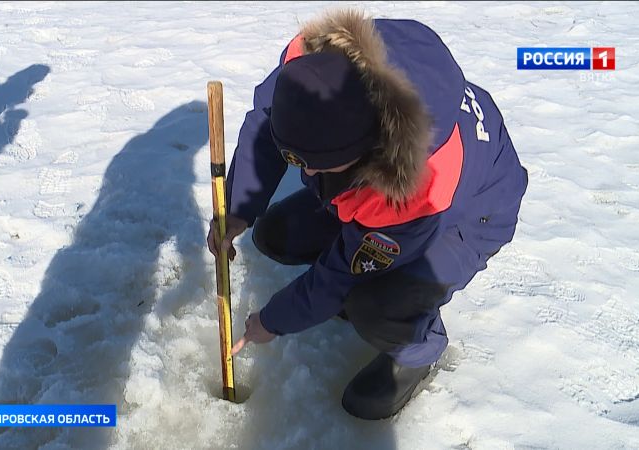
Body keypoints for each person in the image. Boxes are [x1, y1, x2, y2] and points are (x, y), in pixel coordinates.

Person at [207, 9, 528, 420]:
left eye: (314, 164)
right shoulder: (315, 64)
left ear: (356, 154)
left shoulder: (414, 191)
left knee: (371, 302)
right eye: (296, 160)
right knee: (275, 234)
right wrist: (238, 208)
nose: (303, 172)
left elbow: (341, 275)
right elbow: (269, 122)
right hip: (377, 187)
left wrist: (272, 321)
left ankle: (418, 350)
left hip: (469, 217)